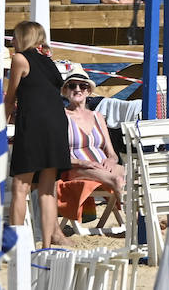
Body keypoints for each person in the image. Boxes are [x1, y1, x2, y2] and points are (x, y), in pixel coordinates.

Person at [5, 21, 71, 248]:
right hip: (57, 124)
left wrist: (0, 125)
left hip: (34, 125)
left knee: (20, 187)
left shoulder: (20, 59)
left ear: (24, 37)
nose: (12, 41)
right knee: (47, 190)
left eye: (15, 36)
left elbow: (10, 98)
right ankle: (46, 246)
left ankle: (16, 245)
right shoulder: (48, 61)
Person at [55, 69, 125, 233]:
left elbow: (112, 153)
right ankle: (133, 220)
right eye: (72, 86)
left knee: (129, 175)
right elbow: (58, 155)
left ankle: (140, 219)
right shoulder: (61, 116)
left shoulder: (97, 116)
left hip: (103, 167)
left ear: (88, 91)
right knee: (116, 179)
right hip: (77, 168)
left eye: (83, 86)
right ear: (65, 91)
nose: (78, 89)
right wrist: (84, 163)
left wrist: (111, 160)